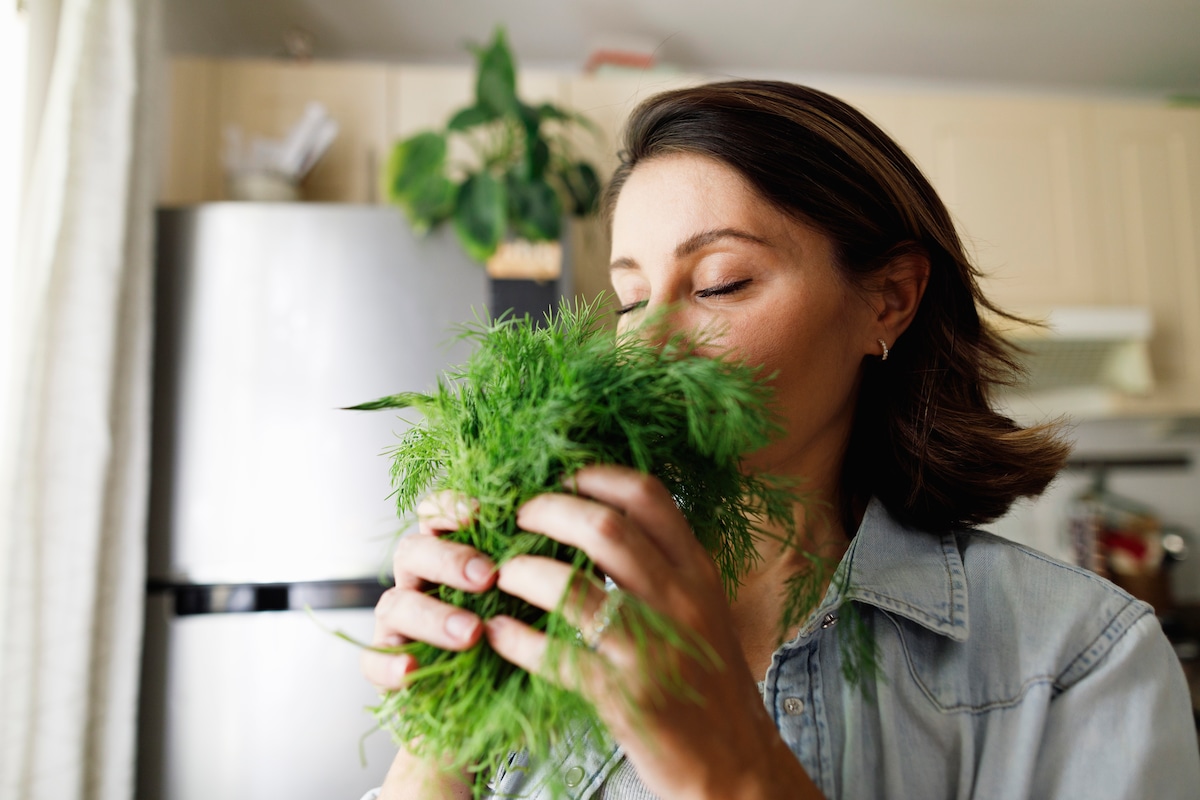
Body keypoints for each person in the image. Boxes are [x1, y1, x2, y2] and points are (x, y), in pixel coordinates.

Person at [358, 80, 1200, 799]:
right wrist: (439, 734)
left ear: (889, 300)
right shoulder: (545, 606)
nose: (648, 345)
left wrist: (739, 772)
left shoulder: (1078, 660)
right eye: (629, 299)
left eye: (720, 282)